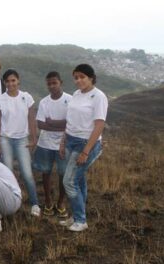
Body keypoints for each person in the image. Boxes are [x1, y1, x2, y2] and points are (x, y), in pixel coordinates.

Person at [59, 64, 107, 232]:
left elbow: (99, 125)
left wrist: (86, 151)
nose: (78, 80)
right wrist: (63, 141)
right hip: (71, 140)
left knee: (69, 181)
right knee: (78, 180)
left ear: (91, 77)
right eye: (76, 77)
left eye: (82, 77)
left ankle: (81, 220)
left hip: (85, 143)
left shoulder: (98, 96)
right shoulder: (76, 94)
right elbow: (70, 119)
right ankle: (77, 216)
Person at [0, 69, 40, 216]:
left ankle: (35, 204)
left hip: (22, 140)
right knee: (8, 173)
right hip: (5, 139)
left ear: (18, 81)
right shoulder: (0, 100)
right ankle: (9, 202)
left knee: (27, 173)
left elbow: (31, 120)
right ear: (4, 83)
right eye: (7, 81)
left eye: (13, 80)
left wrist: (34, 139)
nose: (11, 83)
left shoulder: (26, 97)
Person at [33, 71, 72, 218]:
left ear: (61, 82)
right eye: (49, 83)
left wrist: (52, 122)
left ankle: (60, 202)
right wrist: (61, 125)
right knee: (46, 172)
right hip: (45, 143)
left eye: (54, 82)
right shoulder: (44, 102)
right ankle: (48, 201)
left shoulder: (70, 100)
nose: (52, 86)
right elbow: (41, 124)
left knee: (63, 174)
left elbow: (71, 123)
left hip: (64, 143)